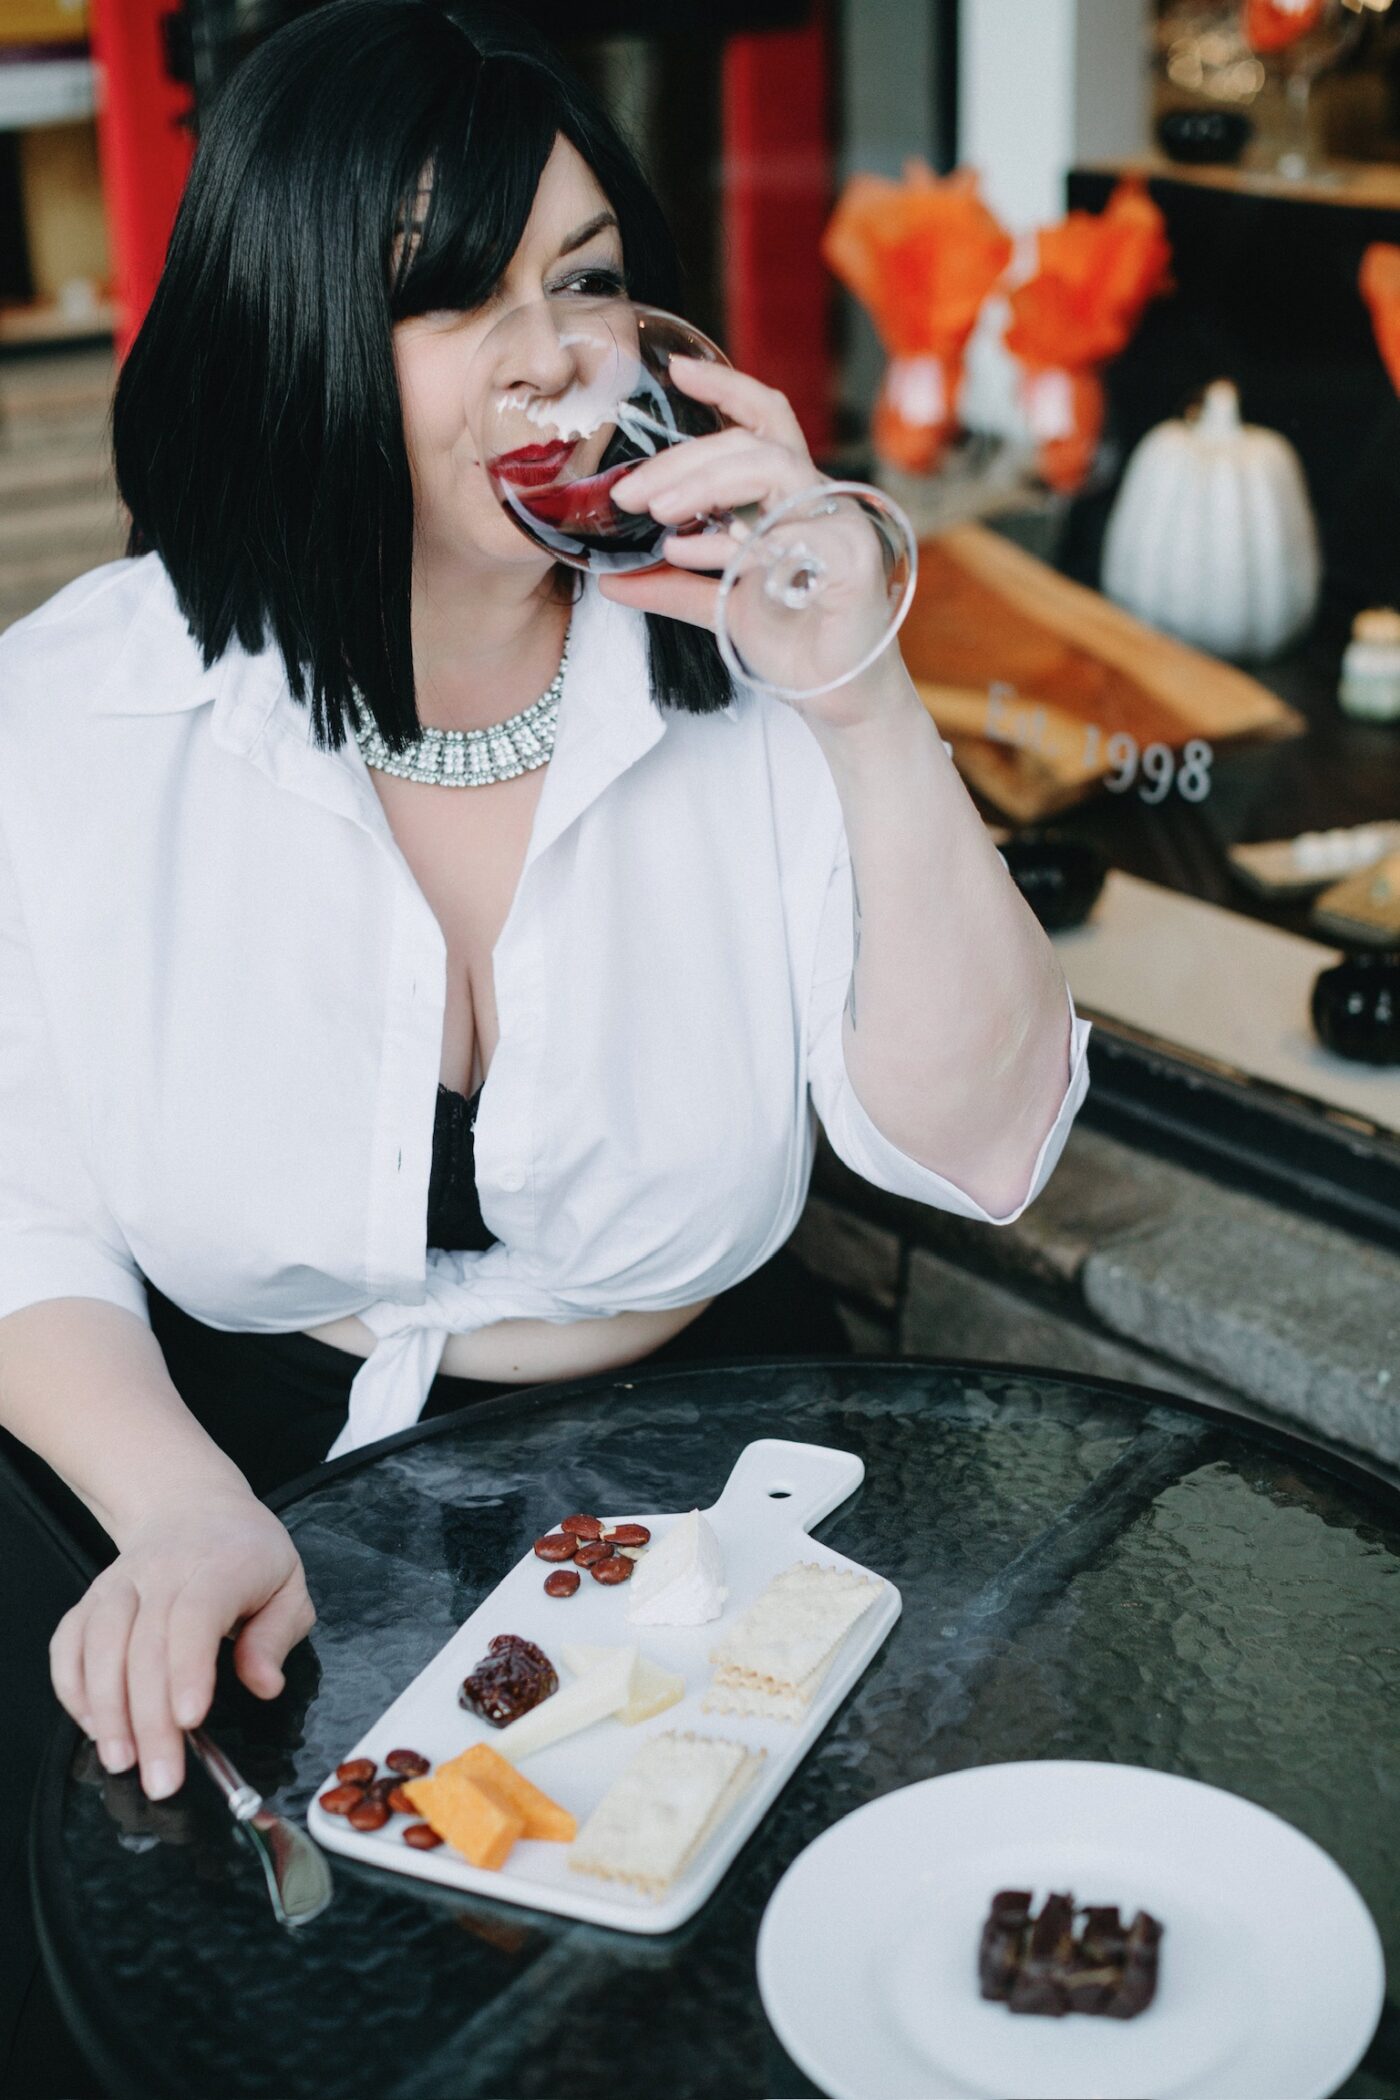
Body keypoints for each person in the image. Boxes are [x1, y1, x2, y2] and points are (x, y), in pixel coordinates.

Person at [0, 3, 1087, 2080]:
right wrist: (172, 1504)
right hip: (254, 1472)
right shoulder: (74, 716)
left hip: (724, 1462)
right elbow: (18, 1198)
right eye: (448, 298)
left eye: (584, 281)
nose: (552, 355)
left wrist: (856, 687)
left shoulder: (748, 667)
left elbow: (983, 1146)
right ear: (287, 326)